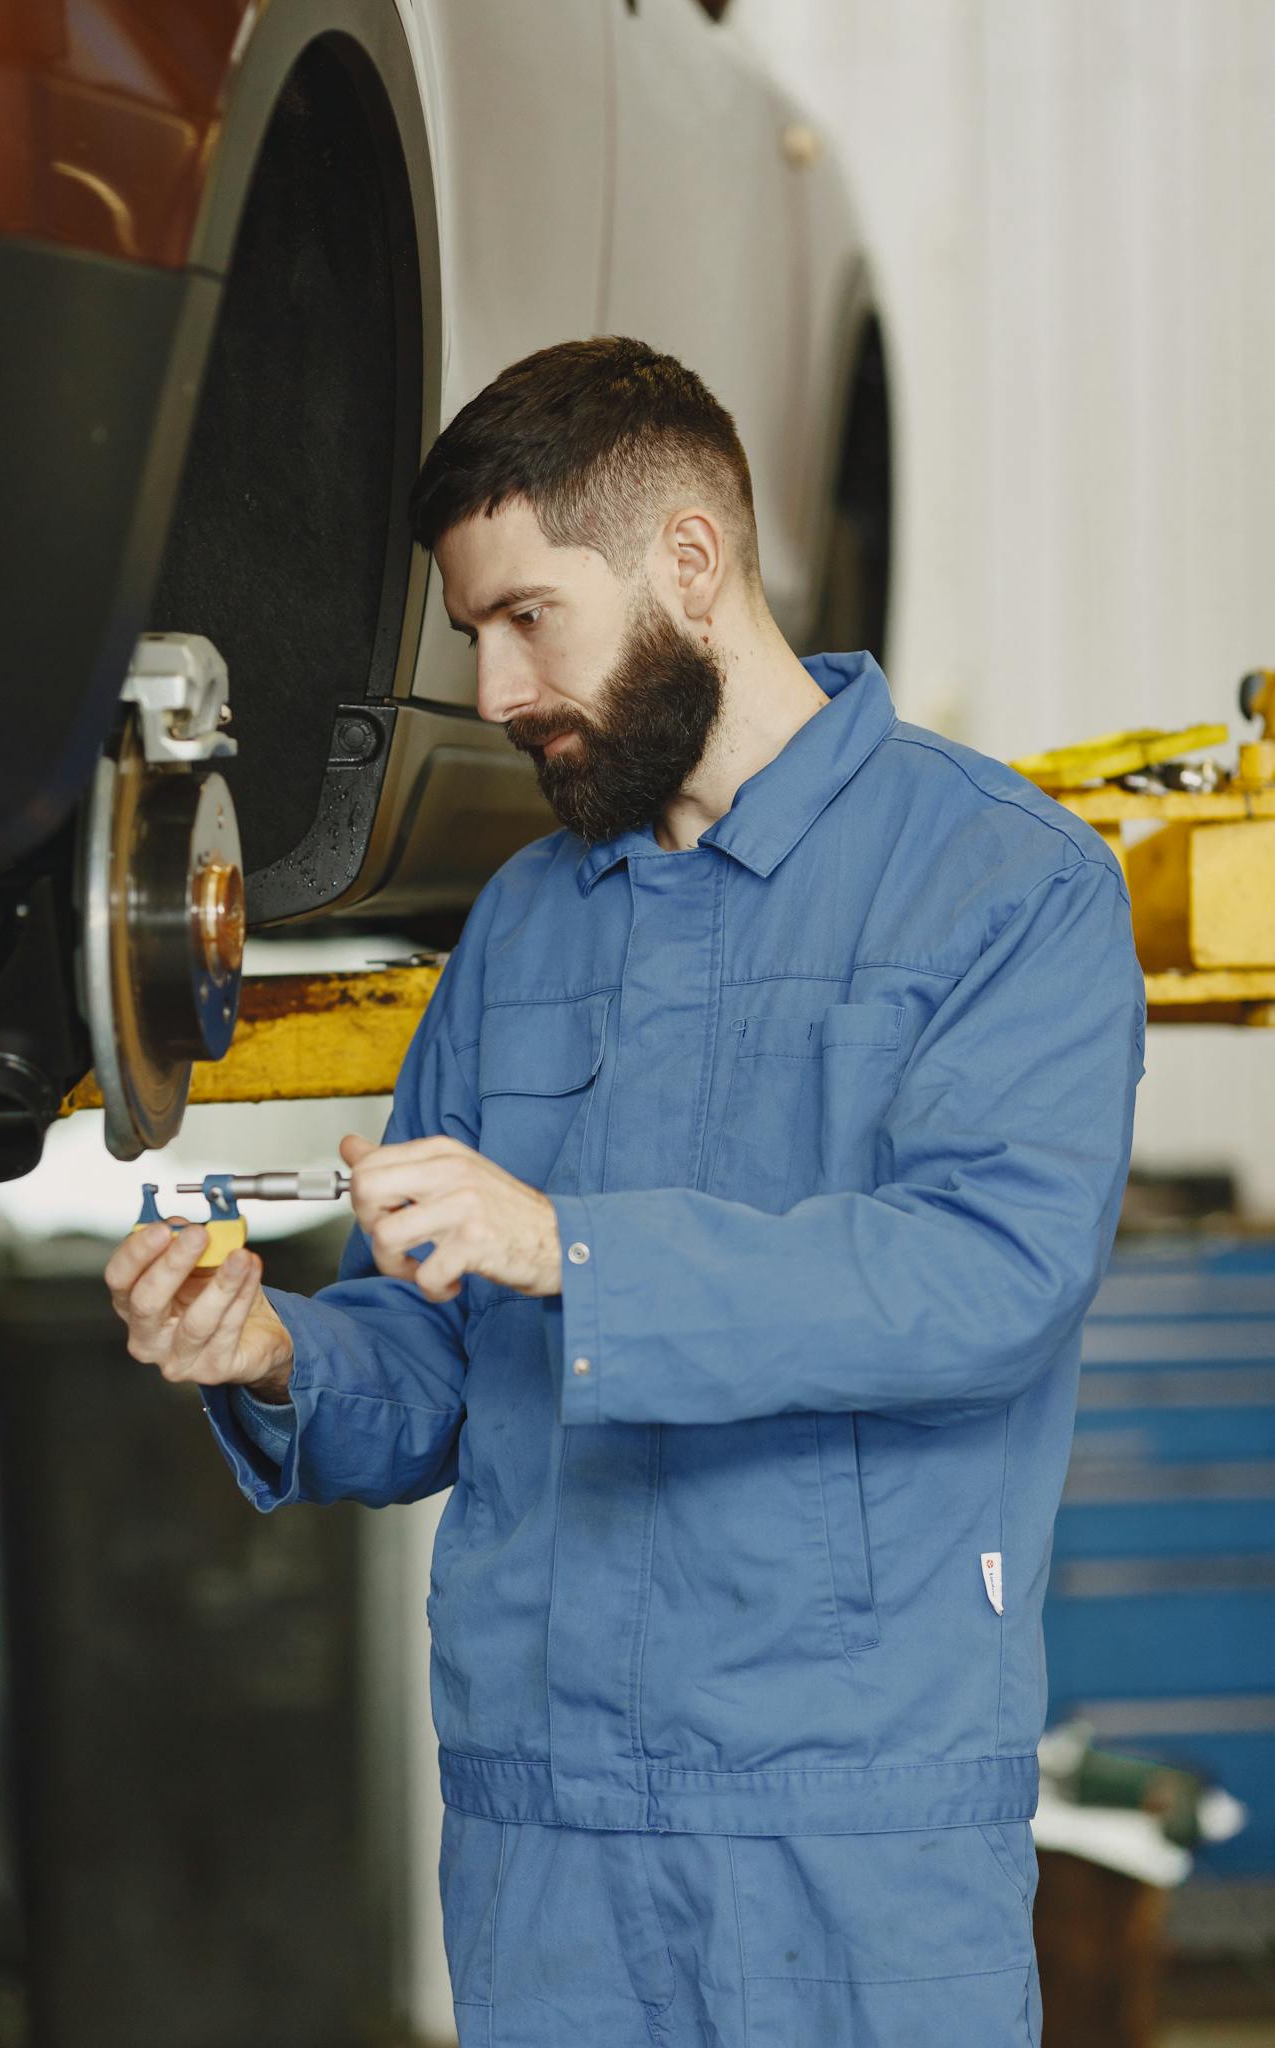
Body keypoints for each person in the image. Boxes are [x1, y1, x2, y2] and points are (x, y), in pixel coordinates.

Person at [104, 337, 1146, 2045]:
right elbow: (441, 1359)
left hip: (849, 1827)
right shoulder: (529, 921)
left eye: (529, 619)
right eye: (473, 638)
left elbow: (984, 1277)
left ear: (687, 561)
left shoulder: (1003, 886)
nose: (499, 689)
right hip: (547, 1828)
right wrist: (279, 1353)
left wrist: (561, 1243)